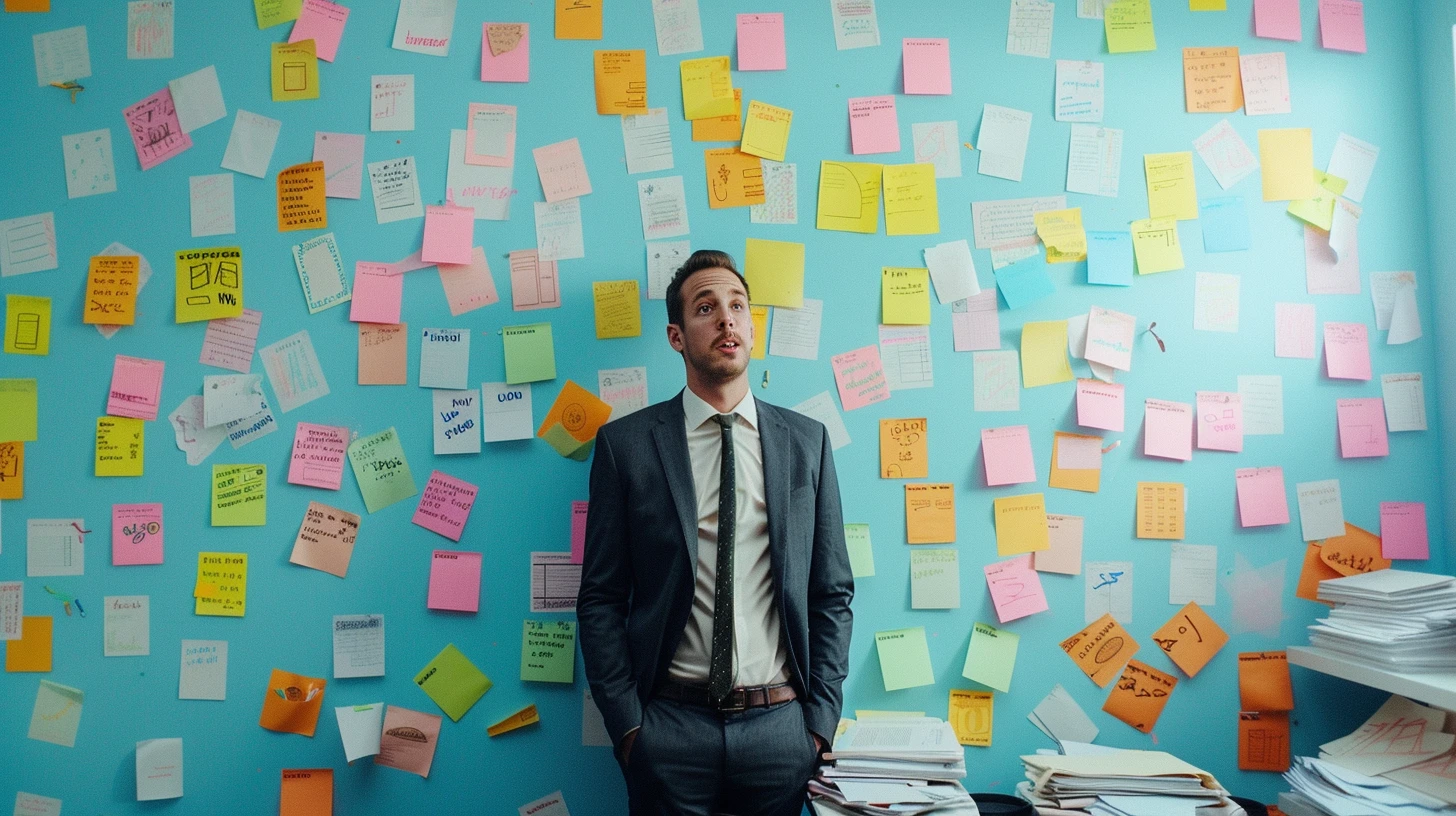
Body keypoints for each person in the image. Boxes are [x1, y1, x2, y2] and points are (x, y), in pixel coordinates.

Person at [578, 249, 855, 816]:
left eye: (737, 305)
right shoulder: (625, 447)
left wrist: (819, 723)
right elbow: (601, 598)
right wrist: (629, 726)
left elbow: (832, 592)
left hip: (782, 731)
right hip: (668, 730)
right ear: (677, 337)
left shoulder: (807, 442)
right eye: (706, 308)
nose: (726, 319)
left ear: (752, 326)